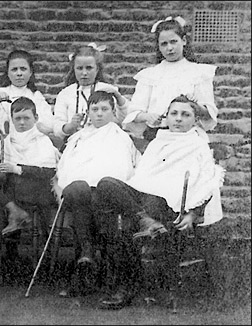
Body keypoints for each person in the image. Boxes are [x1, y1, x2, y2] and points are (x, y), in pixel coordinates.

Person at [94, 95, 224, 310]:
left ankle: (129, 283)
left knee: (142, 210)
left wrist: (193, 213)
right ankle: (146, 222)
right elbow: (142, 177)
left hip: (171, 204)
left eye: (185, 115)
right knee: (106, 184)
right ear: (167, 117)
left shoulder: (198, 144)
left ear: (195, 120)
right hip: (143, 199)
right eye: (174, 114)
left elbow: (208, 182)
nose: (178, 119)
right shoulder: (158, 141)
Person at [53, 91, 140, 297]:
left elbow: (124, 168)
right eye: (95, 109)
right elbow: (65, 167)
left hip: (108, 194)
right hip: (81, 193)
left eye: (104, 109)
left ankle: (90, 260)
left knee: (95, 197)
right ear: (88, 113)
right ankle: (87, 259)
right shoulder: (77, 138)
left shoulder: (121, 137)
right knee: (78, 189)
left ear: (113, 112)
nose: (99, 114)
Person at [0, 96, 61, 288]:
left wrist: (18, 168)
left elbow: (48, 172)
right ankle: (14, 213)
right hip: (10, 190)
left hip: (34, 190)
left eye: (26, 118)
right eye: (17, 118)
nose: (21, 123)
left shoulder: (42, 141)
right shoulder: (7, 140)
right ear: (11, 118)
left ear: (36, 118)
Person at [124, 16, 218, 152]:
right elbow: (134, 112)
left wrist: (194, 106)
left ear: (184, 41)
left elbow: (208, 113)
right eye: (164, 44)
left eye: (173, 42)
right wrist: (148, 116)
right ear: (159, 46)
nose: (170, 48)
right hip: (157, 136)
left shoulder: (199, 73)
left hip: (189, 136)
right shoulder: (149, 75)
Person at [52, 43, 129, 150]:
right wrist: (70, 126)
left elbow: (124, 119)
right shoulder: (66, 93)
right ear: (73, 69)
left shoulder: (108, 89)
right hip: (75, 144)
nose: (84, 73)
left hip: (105, 142)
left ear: (97, 69)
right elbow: (57, 126)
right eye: (79, 68)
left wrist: (118, 97)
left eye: (89, 68)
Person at [0, 49, 55, 138]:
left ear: (30, 72)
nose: (19, 73)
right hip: (1, 144)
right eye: (14, 69)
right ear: (8, 73)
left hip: (28, 145)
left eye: (23, 69)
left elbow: (48, 125)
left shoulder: (36, 97)